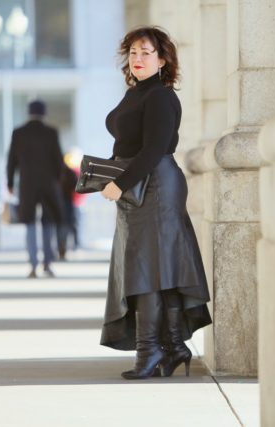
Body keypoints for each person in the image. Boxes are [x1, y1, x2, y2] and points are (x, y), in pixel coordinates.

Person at [99, 27, 212, 379]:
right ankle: (174, 345)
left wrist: (120, 182)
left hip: (157, 184)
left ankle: (149, 353)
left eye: (146, 52)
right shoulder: (137, 92)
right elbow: (130, 144)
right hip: (140, 184)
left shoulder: (161, 96)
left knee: (148, 268)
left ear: (163, 59)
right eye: (133, 52)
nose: (138, 58)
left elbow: (154, 147)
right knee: (156, 267)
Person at [7, 100, 63, 278]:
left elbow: (11, 161)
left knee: (29, 223)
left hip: (27, 185)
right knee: (48, 223)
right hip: (48, 185)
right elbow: (58, 161)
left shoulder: (18, 133)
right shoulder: (51, 133)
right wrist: (58, 182)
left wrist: (9, 183)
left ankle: (33, 264)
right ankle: (47, 264)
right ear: (44, 113)